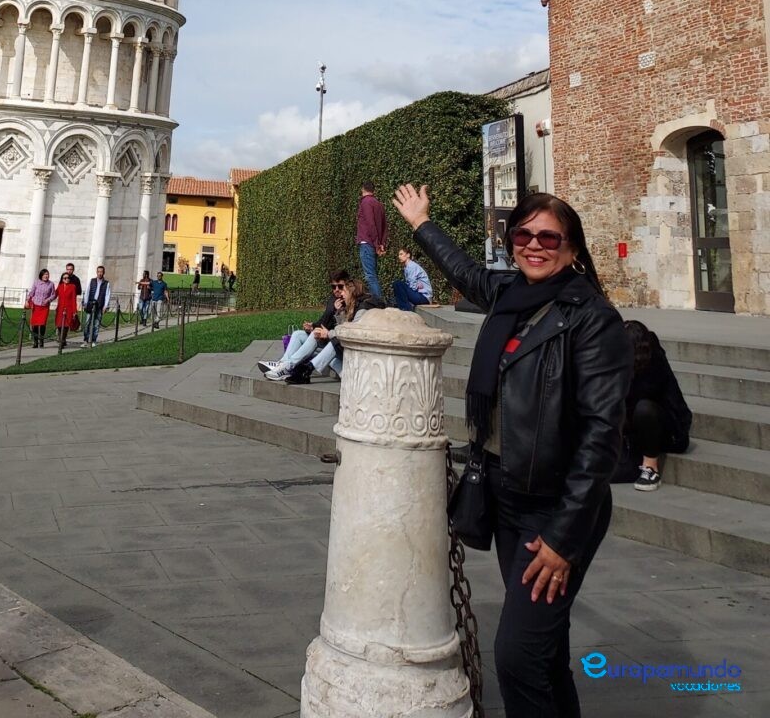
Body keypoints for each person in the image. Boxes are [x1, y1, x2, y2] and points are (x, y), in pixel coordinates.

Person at [393, 182, 632, 718]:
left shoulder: (593, 320)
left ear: (573, 248)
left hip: (556, 508)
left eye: (550, 237)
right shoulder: (509, 296)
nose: (534, 245)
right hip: (505, 494)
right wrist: (421, 223)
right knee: (544, 654)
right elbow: (462, 270)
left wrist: (563, 539)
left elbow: (601, 438)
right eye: (523, 234)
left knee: (518, 657)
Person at [613, 319, 692, 492]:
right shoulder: (622, 366)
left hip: (671, 432)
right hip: (635, 432)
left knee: (644, 409)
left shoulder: (653, 365)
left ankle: (651, 468)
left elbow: (641, 399)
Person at [270, 277, 383, 384]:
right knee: (317, 340)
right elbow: (341, 327)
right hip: (346, 345)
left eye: (342, 289)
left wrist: (328, 333)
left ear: (352, 292)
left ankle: (300, 369)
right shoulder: (351, 304)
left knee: (333, 345)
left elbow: (349, 333)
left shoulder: (362, 309)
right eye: (334, 287)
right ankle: (289, 365)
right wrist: (339, 312)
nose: (340, 293)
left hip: (359, 351)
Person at [258, 270, 349, 376]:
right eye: (333, 287)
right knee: (298, 334)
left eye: (340, 286)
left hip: (335, 343)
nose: (337, 290)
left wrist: (339, 312)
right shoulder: (333, 299)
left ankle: (288, 367)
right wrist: (312, 325)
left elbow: (344, 329)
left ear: (347, 285)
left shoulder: (349, 301)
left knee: (315, 336)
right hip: (325, 339)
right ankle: (282, 364)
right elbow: (324, 320)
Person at [356, 181, 387, 301]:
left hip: (367, 243)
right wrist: (381, 244)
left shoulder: (365, 202)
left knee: (370, 276)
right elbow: (385, 226)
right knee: (373, 275)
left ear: (362, 189)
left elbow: (370, 224)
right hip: (374, 243)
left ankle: (378, 305)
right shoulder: (379, 204)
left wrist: (375, 244)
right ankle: (378, 303)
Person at [83, 265, 113, 346]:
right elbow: (87, 292)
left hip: (99, 305)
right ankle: (85, 340)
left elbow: (107, 295)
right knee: (87, 323)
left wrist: (105, 306)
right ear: (96, 272)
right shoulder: (92, 281)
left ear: (104, 273)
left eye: (101, 272)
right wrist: (85, 303)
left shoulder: (106, 283)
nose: (100, 273)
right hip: (90, 304)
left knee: (96, 324)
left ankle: (93, 340)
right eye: (98, 272)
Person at [26, 269, 56, 349]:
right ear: (41, 275)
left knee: (42, 324)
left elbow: (53, 295)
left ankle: (41, 341)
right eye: (45, 274)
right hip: (36, 306)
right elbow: (32, 292)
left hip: (44, 307)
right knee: (35, 324)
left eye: (47, 274)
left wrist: (48, 300)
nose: (46, 276)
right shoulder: (36, 283)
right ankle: (35, 342)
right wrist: (27, 300)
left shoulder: (51, 284)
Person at [55, 266, 81, 347]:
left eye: (68, 278)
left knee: (66, 326)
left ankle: (62, 341)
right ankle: (61, 339)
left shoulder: (72, 287)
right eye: (64, 278)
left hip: (68, 309)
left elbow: (74, 299)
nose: (66, 279)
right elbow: (54, 295)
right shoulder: (59, 286)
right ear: (62, 279)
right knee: (59, 325)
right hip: (60, 309)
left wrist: (74, 311)